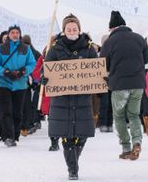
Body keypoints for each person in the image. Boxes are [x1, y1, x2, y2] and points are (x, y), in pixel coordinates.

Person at [42, 15, 97, 180]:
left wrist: (101, 78)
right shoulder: (55, 49)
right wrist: (44, 77)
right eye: (68, 29)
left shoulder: (88, 49)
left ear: (79, 30)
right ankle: (73, 169)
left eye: (74, 29)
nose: (72, 31)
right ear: (64, 31)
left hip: (82, 100)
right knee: (67, 136)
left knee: (83, 134)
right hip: (62, 100)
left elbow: (96, 70)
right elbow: (45, 70)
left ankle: (73, 162)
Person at [100, 10, 148, 161]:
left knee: (119, 116)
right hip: (138, 84)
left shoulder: (109, 42)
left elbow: (103, 65)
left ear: (112, 28)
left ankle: (126, 147)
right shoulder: (139, 38)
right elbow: (147, 59)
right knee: (134, 115)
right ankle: (137, 142)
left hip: (119, 85)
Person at [0, 25, 36, 147]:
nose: (15, 35)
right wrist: (5, 72)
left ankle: (15, 135)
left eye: (17, 32)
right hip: (4, 83)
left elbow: (32, 63)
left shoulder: (26, 48)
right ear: (9, 34)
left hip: (20, 84)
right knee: (6, 111)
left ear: (20, 35)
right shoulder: (1, 48)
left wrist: (23, 71)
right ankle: (8, 136)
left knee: (17, 112)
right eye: (12, 32)